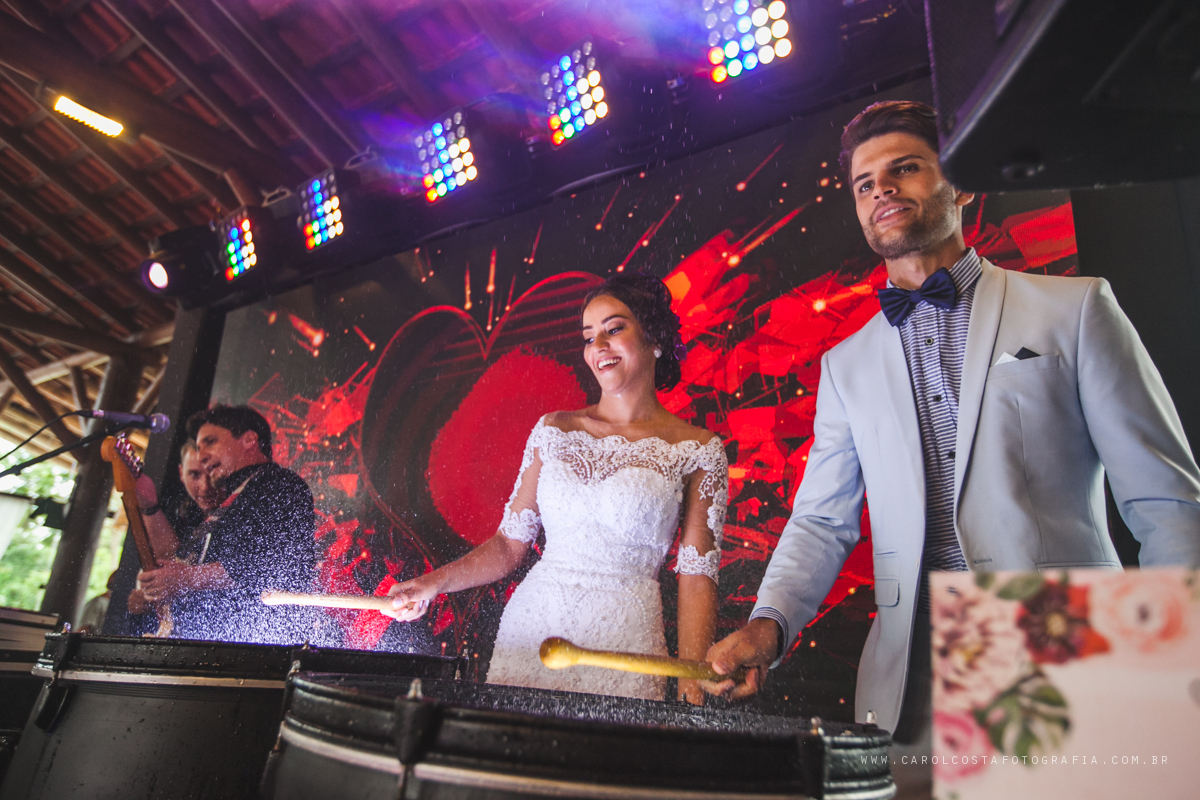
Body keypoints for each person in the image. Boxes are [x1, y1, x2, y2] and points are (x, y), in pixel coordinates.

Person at [704, 101, 1200, 742]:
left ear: (961, 183)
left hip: (1062, 645)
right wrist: (769, 624)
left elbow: (1163, 501)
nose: (882, 189)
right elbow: (821, 521)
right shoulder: (844, 365)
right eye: (864, 184)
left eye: (905, 168)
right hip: (911, 676)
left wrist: (1178, 648)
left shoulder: (1075, 310)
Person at [385, 273, 728, 704]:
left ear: (654, 337)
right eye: (588, 336)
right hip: (531, 633)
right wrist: (432, 583)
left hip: (624, 641)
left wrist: (693, 694)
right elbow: (508, 546)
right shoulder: (553, 430)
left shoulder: (699, 450)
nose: (598, 346)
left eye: (614, 329)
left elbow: (696, 580)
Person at [135, 405, 317, 644]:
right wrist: (150, 509)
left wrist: (186, 578)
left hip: (253, 649)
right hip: (212, 648)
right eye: (199, 448)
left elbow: (268, 563)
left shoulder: (279, 484)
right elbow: (182, 561)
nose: (202, 456)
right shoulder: (234, 497)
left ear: (249, 440)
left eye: (210, 442)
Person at [127, 440, 221, 619]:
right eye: (194, 474)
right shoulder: (178, 513)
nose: (205, 486)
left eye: (212, 472)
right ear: (181, 473)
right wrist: (147, 597)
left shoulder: (241, 514)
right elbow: (170, 561)